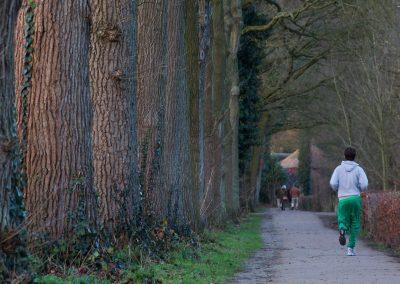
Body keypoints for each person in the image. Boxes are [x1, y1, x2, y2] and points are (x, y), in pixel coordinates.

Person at [330, 147, 368, 256]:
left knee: (342, 219)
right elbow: (364, 184)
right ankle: (350, 249)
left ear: (344, 155)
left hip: (343, 198)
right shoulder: (359, 169)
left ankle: (342, 229)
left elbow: (333, 183)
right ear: (355, 156)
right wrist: (360, 189)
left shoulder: (338, 169)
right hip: (355, 198)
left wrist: (337, 189)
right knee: (355, 223)